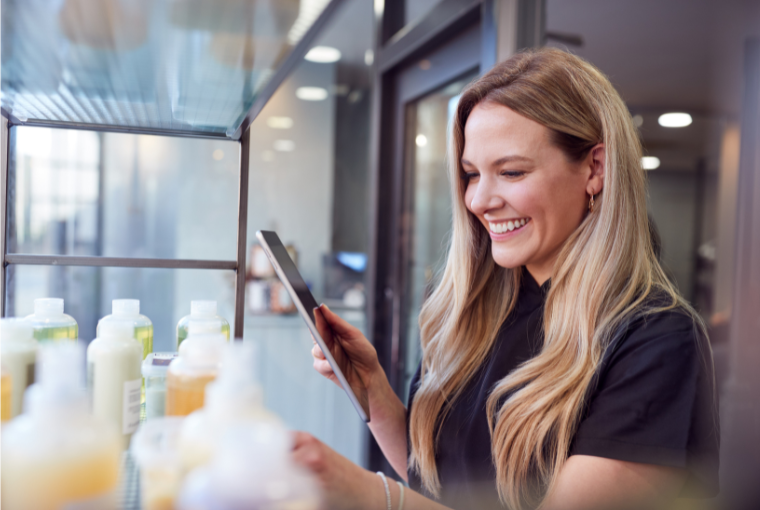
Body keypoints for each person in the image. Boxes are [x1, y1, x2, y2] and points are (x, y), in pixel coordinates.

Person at [292, 48, 720, 510]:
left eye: (511, 172)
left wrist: (373, 496)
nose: (479, 201)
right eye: (472, 174)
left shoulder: (655, 339)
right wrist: (373, 390)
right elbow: (436, 478)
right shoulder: (473, 311)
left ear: (595, 168)